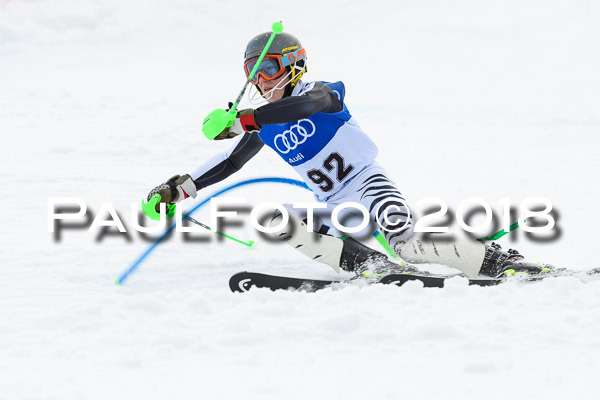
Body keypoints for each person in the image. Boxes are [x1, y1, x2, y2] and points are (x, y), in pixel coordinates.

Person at [145, 31, 551, 279]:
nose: (258, 79)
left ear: (293, 65)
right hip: (336, 205)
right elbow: (231, 161)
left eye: (267, 68)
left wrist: (247, 118)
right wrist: (183, 187)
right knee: (276, 219)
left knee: (408, 245)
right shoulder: (264, 124)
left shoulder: (323, 93)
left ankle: (498, 260)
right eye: (252, 71)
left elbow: (303, 107)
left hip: (370, 185)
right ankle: (371, 266)